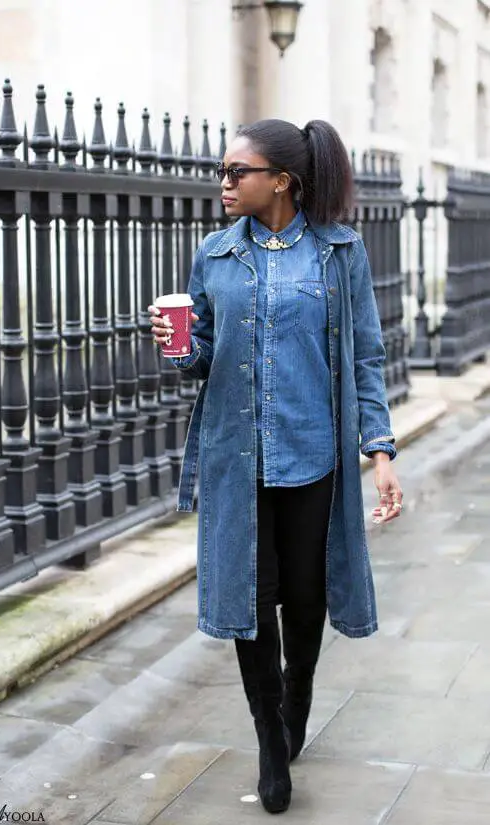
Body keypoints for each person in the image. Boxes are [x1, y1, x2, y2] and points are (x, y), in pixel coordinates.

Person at [148, 118, 402, 815]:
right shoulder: (215, 254)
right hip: (238, 458)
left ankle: (298, 694)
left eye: (238, 172)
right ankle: (269, 740)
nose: (224, 183)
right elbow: (200, 354)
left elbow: (366, 357)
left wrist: (379, 451)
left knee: (307, 594)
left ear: (282, 180)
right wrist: (176, 348)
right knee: (250, 602)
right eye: (223, 171)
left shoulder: (338, 254)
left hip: (313, 455)